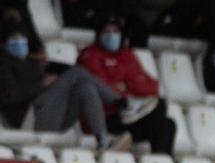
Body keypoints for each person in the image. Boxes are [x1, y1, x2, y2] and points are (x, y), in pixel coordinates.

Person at [0, 10, 125, 148]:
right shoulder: (3, 65)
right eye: (14, 40)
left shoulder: (32, 62)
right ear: (4, 44)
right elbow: (10, 97)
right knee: (76, 73)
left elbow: (67, 68)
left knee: (85, 87)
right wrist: (41, 84)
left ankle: (103, 138)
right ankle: (120, 102)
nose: (19, 43)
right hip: (28, 119)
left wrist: (44, 67)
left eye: (22, 39)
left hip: (51, 115)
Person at [76, 16, 174, 153]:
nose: (111, 36)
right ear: (99, 34)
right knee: (160, 115)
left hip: (128, 113)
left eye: (115, 32)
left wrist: (127, 87)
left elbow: (151, 86)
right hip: (104, 116)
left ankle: (160, 162)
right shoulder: (89, 56)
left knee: (168, 124)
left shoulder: (127, 55)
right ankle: (159, 161)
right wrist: (129, 90)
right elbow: (102, 89)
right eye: (107, 32)